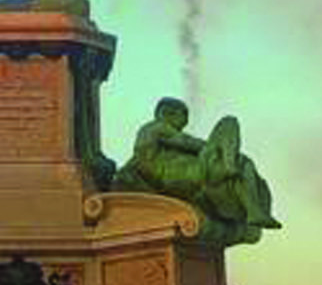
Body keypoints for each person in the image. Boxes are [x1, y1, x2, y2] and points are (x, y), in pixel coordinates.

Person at [115, 97, 281, 245]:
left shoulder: (145, 143)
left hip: (184, 175)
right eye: (183, 116)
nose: (185, 122)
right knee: (229, 123)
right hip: (182, 174)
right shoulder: (155, 128)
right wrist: (214, 148)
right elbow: (188, 142)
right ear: (167, 113)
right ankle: (231, 169)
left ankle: (252, 209)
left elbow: (132, 168)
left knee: (244, 163)